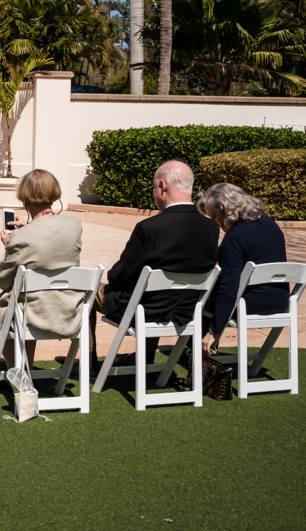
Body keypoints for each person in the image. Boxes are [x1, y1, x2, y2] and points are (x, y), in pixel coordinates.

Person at [87, 160, 220, 375]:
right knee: (154, 291)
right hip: (187, 311)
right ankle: (145, 357)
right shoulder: (211, 227)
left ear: (162, 185)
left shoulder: (149, 228)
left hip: (145, 311)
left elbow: (119, 277)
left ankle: (89, 364)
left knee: (89, 290)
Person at [0, 169, 83, 373]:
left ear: (25, 197)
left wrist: (10, 245)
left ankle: (20, 373)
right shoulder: (74, 225)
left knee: (1, 300)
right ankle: (25, 369)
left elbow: (3, 281)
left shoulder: (20, 237)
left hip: (34, 313)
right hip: (69, 310)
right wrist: (29, 227)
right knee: (25, 299)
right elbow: (50, 245)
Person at [197, 183, 290, 355]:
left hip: (248, 304)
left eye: (215, 215)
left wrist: (214, 331)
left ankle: (197, 348)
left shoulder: (235, 237)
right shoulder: (271, 224)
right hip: (281, 301)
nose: (216, 222)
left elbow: (229, 285)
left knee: (203, 294)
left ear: (226, 209)